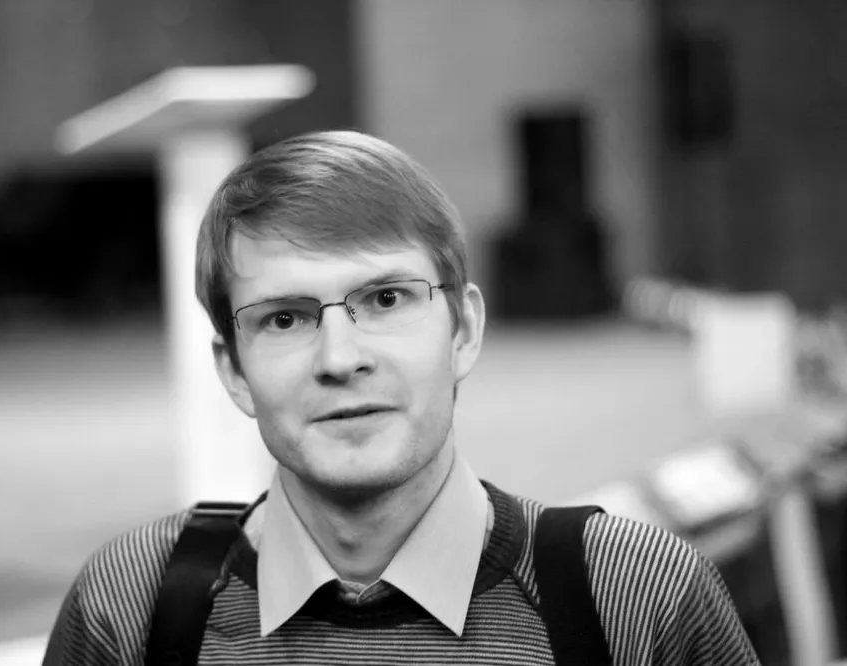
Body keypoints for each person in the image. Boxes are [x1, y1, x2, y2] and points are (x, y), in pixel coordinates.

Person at [42, 130, 761, 665]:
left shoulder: (634, 599)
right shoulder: (132, 610)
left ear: (463, 330)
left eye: (385, 299)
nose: (340, 359)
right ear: (233, 370)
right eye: (285, 318)